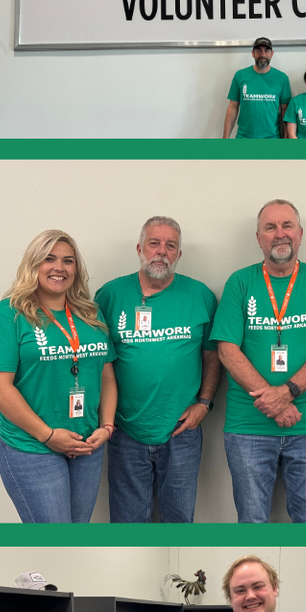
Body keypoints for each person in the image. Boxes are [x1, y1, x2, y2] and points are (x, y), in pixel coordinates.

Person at [208, 199, 306, 523]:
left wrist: (287, 392)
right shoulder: (240, 282)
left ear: (300, 234)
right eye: (270, 227)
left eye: (287, 226)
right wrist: (275, 400)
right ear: (259, 238)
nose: (279, 234)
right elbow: (227, 350)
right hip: (247, 427)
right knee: (252, 522)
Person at [0, 229, 118, 523]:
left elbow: (106, 376)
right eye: (49, 259)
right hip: (32, 445)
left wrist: (106, 427)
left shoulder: (91, 313)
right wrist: (49, 435)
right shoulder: (8, 315)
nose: (59, 267)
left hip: (87, 444)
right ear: (34, 265)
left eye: (68, 261)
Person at [94, 215, 220, 524]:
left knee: (179, 522)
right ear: (140, 248)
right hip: (125, 431)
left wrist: (204, 403)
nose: (161, 251)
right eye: (154, 243)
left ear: (179, 254)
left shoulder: (200, 296)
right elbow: (97, 361)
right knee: (127, 525)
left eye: (170, 245)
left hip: (181, 431)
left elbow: (213, 357)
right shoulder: (109, 296)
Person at [224, 37, 292, 140]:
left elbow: (284, 110)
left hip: (272, 138)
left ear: (272, 53)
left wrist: (286, 136)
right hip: (244, 138)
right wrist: (225, 137)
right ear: (253, 53)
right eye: (258, 50)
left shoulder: (282, 78)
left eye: (266, 50)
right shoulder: (240, 76)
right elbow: (232, 107)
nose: (263, 54)